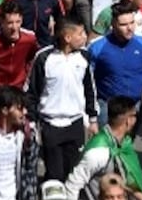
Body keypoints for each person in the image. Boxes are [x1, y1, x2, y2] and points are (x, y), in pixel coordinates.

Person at [25, 16, 96, 182]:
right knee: (54, 174)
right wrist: (32, 122)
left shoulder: (84, 57)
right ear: (67, 38)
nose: (84, 37)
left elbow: (89, 89)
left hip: (76, 124)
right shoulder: (44, 58)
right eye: (80, 34)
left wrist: (92, 119)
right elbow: (31, 92)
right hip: (50, 125)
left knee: (73, 174)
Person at [65, 96, 142, 200]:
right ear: (128, 121)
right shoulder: (99, 151)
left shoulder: (124, 145)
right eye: (135, 115)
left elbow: (127, 182)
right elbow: (72, 185)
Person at [87, 0, 142, 125]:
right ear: (113, 24)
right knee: (107, 144)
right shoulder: (97, 47)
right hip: (106, 106)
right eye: (123, 25)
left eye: (132, 23)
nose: (130, 28)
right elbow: (87, 81)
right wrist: (91, 115)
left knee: (128, 144)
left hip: (134, 105)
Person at [0, 0, 40, 89]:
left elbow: (33, 59)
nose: (14, 27)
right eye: (10, 23)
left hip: (19, 89)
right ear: (2, 22)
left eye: (18, 22)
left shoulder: (30, 39)